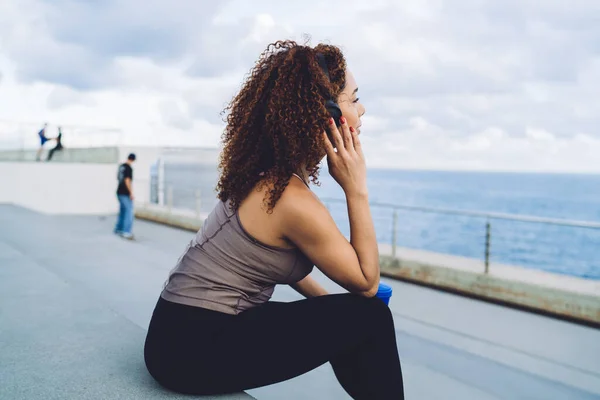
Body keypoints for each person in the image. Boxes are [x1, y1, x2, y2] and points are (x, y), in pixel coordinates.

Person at [144, 41, 404, 399]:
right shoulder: (289, 199)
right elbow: (366, 283)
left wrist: (333, 309)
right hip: (192, 350)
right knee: (371, 317)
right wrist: (356, 188)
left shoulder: (265, 176)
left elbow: (289, 264)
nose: (363, 109)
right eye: (354, 99)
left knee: (356, 317)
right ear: (327, 114)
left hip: (176, 336)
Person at [114, 153, 136, 239]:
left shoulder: (121, 167)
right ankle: (126, 232)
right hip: (125, 193)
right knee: (129, 212)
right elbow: (127, 180)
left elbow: (118, 178)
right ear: (133, 160)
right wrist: (131, 193)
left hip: (119, 191)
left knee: (122, 211)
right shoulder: (128, 168)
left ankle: (118, 229)